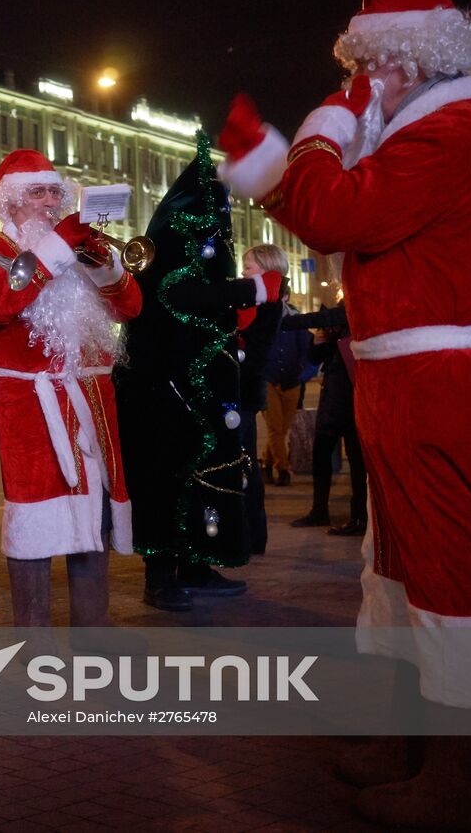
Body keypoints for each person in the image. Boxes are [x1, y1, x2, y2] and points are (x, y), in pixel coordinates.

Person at [219, 0, 471, 828]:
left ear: (407, 62)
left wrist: (324, 123)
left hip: (437, 384)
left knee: (457, 574)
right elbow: (331, 209)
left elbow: (331, 213)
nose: (363, 87)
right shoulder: (429, 136)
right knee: (402, 570)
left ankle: (470, 781)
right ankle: (417, 744)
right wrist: (269, 162)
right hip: (405, 381)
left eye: (371, 70)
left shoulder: (450, 138)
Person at [0, 149, 139, 628]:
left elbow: (132, 308)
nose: (50, 202)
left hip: (90, 400)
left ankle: (92, 630)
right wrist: (58, 249)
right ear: (11, 203)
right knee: (35, 519)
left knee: (95, 516)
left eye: (54, 193)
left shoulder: (78, 250)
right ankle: (33, 637)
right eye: (37, 193)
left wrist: (104, 265)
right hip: (29, 404)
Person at [115, 134, 284, 612]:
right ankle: (160, 575)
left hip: (202, 384)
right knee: (165, 479)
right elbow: (180, 292)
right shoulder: (173, 238)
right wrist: (249, 290)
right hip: (164, 387)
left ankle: (196, 562)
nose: (225, 210)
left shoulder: (209, 235)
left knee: (206, 475)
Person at [285, 302, 369, 535]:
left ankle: (359, 516)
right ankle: (320, 510)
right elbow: (316, 359)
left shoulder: (358, 322)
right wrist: (319, 342)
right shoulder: (336, 330)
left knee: (357, 462)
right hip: (332, 402)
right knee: (321, 456)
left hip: (353, 400)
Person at [237, 244, 288, 554]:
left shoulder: (267, 304)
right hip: (244, 391)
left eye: (249, 267)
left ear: (267, 269)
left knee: (245, 463)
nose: (243, 272)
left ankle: (252, 535)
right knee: (245, 462)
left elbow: (253, 344)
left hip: (245, 390)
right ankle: (251, 534)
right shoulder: (257, 299)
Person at [261, 281, 313, 487]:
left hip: (292, 383)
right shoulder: (263, 321)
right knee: (275, 427)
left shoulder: (297, 322)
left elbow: (308, 354)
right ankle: (283, 469)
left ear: (287, 298)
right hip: (267, 380)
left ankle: (266, 462)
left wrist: (302, 377)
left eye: (280, 297)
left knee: (282, 428)